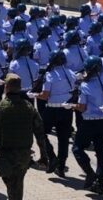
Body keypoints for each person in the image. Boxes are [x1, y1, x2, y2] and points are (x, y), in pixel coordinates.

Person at [0, 73, 48, 200]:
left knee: (12, 184)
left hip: (6, 154)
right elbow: (40, 132)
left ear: (6, 87)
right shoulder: (29, 107)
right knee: (16, 183)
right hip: (24, 154)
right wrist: (43, 155)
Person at [69, 55, 103, 195]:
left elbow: (82, 107)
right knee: (101, 152)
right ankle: (100, 182)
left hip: (89, 122)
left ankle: (89, 172)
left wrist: (71, 105)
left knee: (77, 148)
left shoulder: (85, 85)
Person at [32, 50, 76, 178]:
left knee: (40, 132)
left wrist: (35, 95)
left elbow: (45, 95)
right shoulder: (71, 73)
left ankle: (51, 156)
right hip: (66, 109)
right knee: (63, 139)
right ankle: (61, 167)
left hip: (52, 109)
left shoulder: (50, 75)